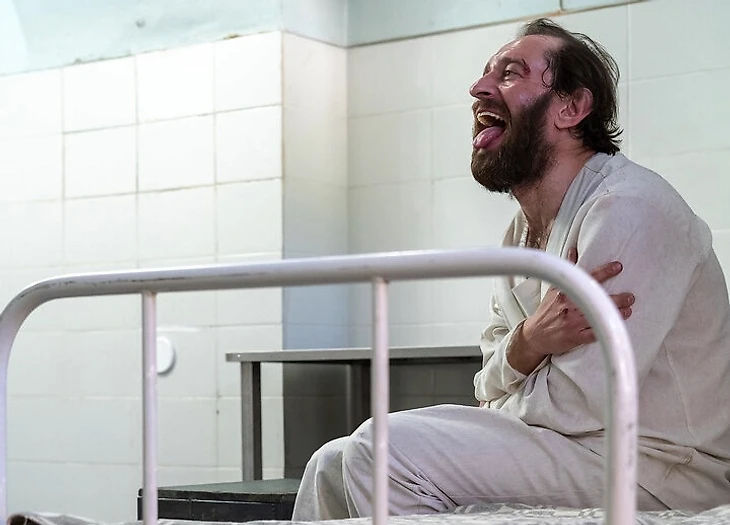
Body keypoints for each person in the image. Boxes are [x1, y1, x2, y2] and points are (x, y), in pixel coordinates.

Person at [291, 18, 730, 520]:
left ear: (571, 107)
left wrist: (506, 383)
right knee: (330, 463)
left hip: (662, 471)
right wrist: (528, 342)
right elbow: (486, 380)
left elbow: (579, 404)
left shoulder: (628, 209)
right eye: (486, 73)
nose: (478, 88)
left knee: (381, 450)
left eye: (509, 73)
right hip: (576, 448)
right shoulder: (520, 234)